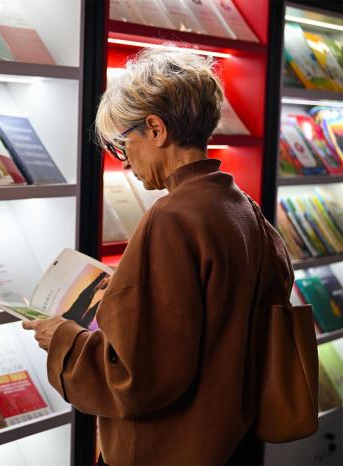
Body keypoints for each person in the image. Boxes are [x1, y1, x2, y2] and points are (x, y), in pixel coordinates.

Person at [22, 49, 295, 465]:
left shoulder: (171, 218)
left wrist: (63, 340)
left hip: (168, 447)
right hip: (232, 440)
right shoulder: (241, 206)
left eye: (122, 143)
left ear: (155, 128)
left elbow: (140, 376)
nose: (124, 162)